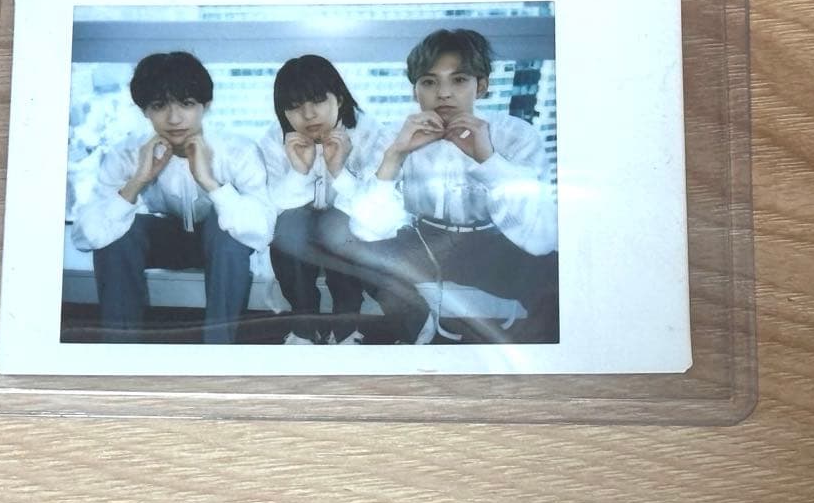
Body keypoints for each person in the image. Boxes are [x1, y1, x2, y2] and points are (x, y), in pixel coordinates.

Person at [320, 28, 559, 344]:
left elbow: (541, 239)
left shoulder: (516, 135)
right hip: (422, 240)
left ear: (481, 86)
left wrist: (488, 160)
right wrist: (395, 156)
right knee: (343, 237)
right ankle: (415, 323)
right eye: (429, 82)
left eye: (458, 80)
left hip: (492, 243)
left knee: (555, 271)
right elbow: (368, 230)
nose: (443, 93)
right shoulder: (395, 135)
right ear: (415, 91)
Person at [71, 52, 274, 344]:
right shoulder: (127, 153)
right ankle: (120, 351)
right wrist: (137, 181)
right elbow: (85, 236)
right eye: (159, 106)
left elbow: (262, 231)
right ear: (145, 111)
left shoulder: (237, 151)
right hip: (166, 240)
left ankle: (219, 349)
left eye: (187, 104)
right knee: (115, 233)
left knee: (226, 230)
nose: (174, 118)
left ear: (206, 105)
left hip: (220, 247)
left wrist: (211, 183)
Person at [259, 55, 391, 345]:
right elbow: (269, 209)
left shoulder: (371, 134)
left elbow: (375, 209)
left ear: (339, 99)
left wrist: (339, 171)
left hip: (349, 225)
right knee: (287, 228)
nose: (308, 115)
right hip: (300, 224)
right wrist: (299, 172)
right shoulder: (273, 139)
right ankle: (304, 325)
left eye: (318, 100)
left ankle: (346, 326)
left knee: (339, 226)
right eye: (295, 106)